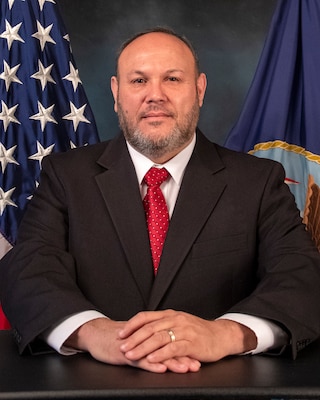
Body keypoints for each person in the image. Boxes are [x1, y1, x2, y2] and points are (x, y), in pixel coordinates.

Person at [1, 27, 320, 374]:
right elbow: (28, 270)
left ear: (199, 89)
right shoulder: (65, 176)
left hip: (221, 392)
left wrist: (225, 334)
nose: (155, 95)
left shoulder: (258, 181)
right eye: (139, 81)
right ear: (116, 92)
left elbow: (301, 275)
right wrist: (93, 333)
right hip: (90, 390)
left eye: (172, 79)